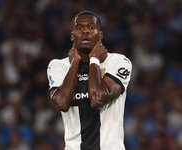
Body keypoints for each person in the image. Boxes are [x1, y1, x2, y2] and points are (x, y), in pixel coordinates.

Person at [47, 10, 132, 150]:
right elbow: (61, 102)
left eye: (91, 28)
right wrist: (75, 63)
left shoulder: (118, 62)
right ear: (72, 36)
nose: (85, 31)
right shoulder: (58, 66)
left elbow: (97, 99)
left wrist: (94, 60)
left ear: (100, 35)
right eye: (79, 28)